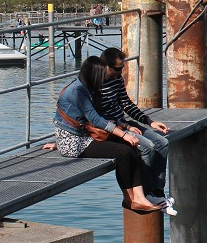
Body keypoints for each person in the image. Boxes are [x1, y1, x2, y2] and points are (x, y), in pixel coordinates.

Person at [52, 56, 163, 213]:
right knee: (123, 152)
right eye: (101, 74)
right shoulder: (77, 91)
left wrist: (124, 126)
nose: (104, 78)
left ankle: (140, 197)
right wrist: (124, 134)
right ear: (94, 74)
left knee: (133, 146)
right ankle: (129, 199)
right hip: (73, 142)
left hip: (83, 136)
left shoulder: (86, 87)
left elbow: (98, 116)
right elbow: (95, 119)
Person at [98, 47, 174, 212]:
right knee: (147, 146)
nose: (120, 72)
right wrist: (124, 127)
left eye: (122, 68)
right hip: (112, 128)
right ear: (106, 66)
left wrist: (148, 121)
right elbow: (96, 117)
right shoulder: (96, 82)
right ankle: (144, 195)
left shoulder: (117, 79)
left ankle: (156, 191)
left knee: (162, 142)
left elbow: (126, 103)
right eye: (118, 68)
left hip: (124, 123)